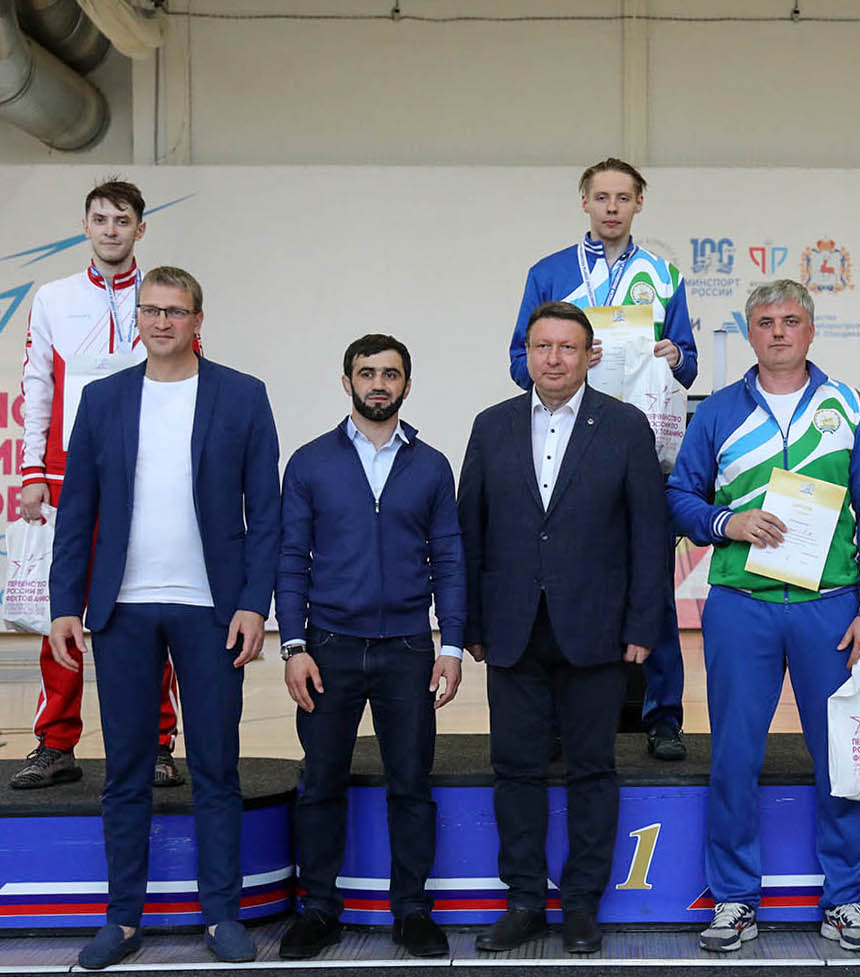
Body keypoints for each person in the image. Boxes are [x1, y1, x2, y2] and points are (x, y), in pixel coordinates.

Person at [48, 266, 281, 968]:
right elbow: (76, 511)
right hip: (122, 608)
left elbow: (266, 514)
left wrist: (253, 603)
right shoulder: (103, 398)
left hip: (212, 609)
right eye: (150, 310)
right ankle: (122, 920)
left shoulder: (242, 395)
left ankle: (221, 915)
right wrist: (64, 605)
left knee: (215, 766)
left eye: (175, 311)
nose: (160, 321)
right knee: (125, 769)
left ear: (197, 320)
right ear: (138, 318)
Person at [667, 279, 860, 954]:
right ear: (749, 333)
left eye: (790, 320)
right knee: (735, 758)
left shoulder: (850, 406)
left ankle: (846, 900)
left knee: (840, 759)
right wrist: (727, 521)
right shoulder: (717, 412)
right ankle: (735, 898)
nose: (777, 332)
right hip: (742, 608)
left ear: (811, 329)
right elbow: (679, 497)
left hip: (833, 608)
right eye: (764, 322)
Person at [461, 301, 667, 954]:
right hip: (511, 629)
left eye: (567, 347)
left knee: (592, 770)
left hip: (597, 631)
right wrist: (468, 621)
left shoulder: (626, 426)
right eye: (542, 346)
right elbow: (471, 531)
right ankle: (524, 899)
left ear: (588, 355)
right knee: (515, 769)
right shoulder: (490, 425)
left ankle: (581, 903)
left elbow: (649, 534)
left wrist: (643, 623)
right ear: (525, 353)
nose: (553, 358)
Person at [275, 334, 467, 959]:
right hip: (327, 648)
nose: (378, 384)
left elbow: (450, 559)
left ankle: (411, 910)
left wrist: (452, 645)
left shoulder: (431, 465)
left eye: (390, 374)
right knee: (321, 783)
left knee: (411, 784)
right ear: (347, 382)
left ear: (406, 384)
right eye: (367, 373)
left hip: (408, 649)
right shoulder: (310, 462)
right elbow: (291, 558)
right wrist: (294, 645)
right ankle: (318, 909)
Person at [509, 157, 696, 761]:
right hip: (566, 448)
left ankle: (663, 716)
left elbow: (690, 364)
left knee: (652, 583)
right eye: (602, 197)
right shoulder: (549, 272)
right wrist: (563, 360)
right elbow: (517, 363)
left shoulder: (663, 276)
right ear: (584, 202)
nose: (612, 207)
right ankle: (559, 720)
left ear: (639, 203)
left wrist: (674, 355)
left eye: (623, 197)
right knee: (562, 585)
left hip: (640, 446)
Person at [12, 179, 184, 791]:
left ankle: (156, 742)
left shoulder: (163, 300)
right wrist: (33, 471)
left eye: (122, 220)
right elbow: (37, 385)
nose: (111, 230)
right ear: (85, 226)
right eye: (101, 219)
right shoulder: (55, 298)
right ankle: (55, 743)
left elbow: (185, 383)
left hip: (147, 481)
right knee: (61, 615)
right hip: (69, 479)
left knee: (150, 612)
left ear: (141, 228)